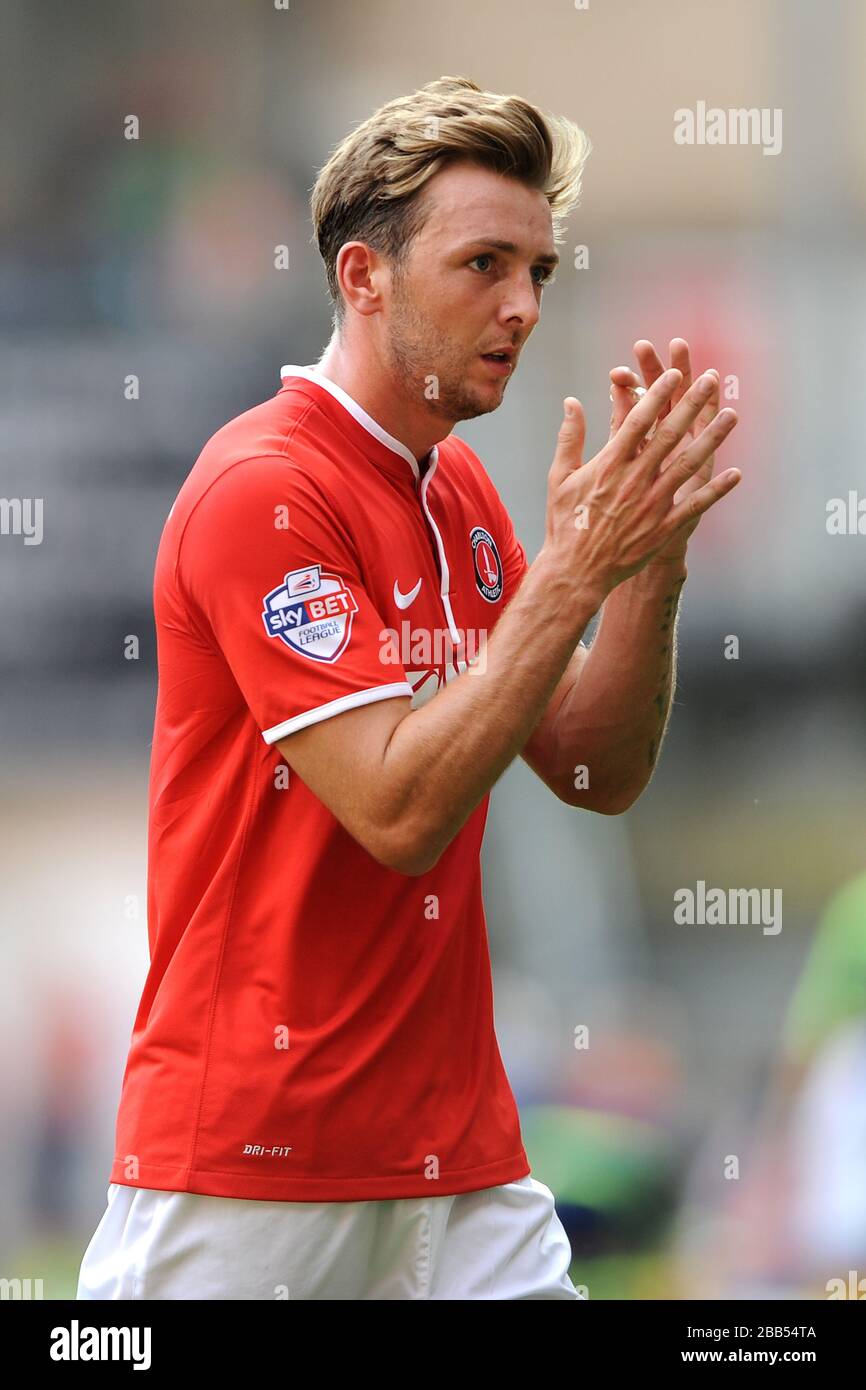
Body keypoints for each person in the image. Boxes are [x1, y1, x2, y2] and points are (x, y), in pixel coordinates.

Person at [77, 75, 739, 1301]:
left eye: (539, 270)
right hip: (253, 1163)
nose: (522, 305)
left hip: (461, 1157)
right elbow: (395, 811)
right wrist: (571, 575)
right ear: (361, 277)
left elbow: (595, 768)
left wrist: (646, 568)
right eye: (482, 262)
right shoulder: (260, 492)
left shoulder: (462, 496)